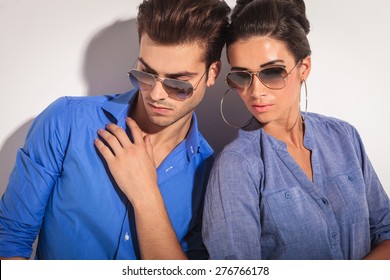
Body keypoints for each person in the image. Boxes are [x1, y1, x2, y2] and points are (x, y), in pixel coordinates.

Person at [0, 0, 230, 259]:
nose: (155, 95)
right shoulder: (66, 122)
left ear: (212, 74)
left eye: (178, 83)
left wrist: (146, 194)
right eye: (146, 73)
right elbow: (9, 241)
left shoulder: (214, 175)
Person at [202, 0, 390, 259]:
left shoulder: (344, 137)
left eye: (272, 72)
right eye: (242, 76)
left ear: (304, 68)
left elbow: (386, 229)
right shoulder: (237, 166)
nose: (256, 92)